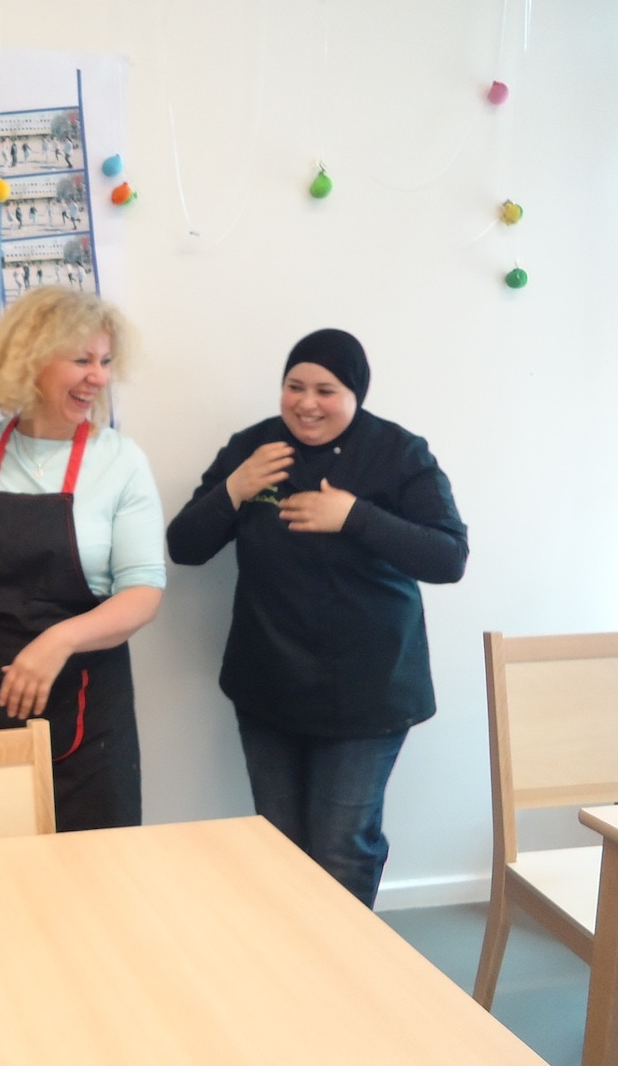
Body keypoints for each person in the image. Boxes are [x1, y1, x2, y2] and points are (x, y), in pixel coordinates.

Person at [165, 328, 468, 907]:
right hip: (269, 683)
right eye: (294, 386)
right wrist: (235, 486)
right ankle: (289, 970)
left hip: (369, 693)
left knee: (340, 847)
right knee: (277, 843)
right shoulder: (253, 449)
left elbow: (448, 557)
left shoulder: (400, 454)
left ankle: (345, 978)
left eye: (325, 390)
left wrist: (355, 515)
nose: (306, 402)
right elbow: (185, 545)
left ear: (355, 394)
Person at [0, 287, 164, 831]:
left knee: (88, 882)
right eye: (82, 359)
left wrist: (57, 641)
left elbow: (143, 594)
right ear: (30, 360)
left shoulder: (121, 461)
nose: (99, 377)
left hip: (82, 707)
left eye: (105, 362)